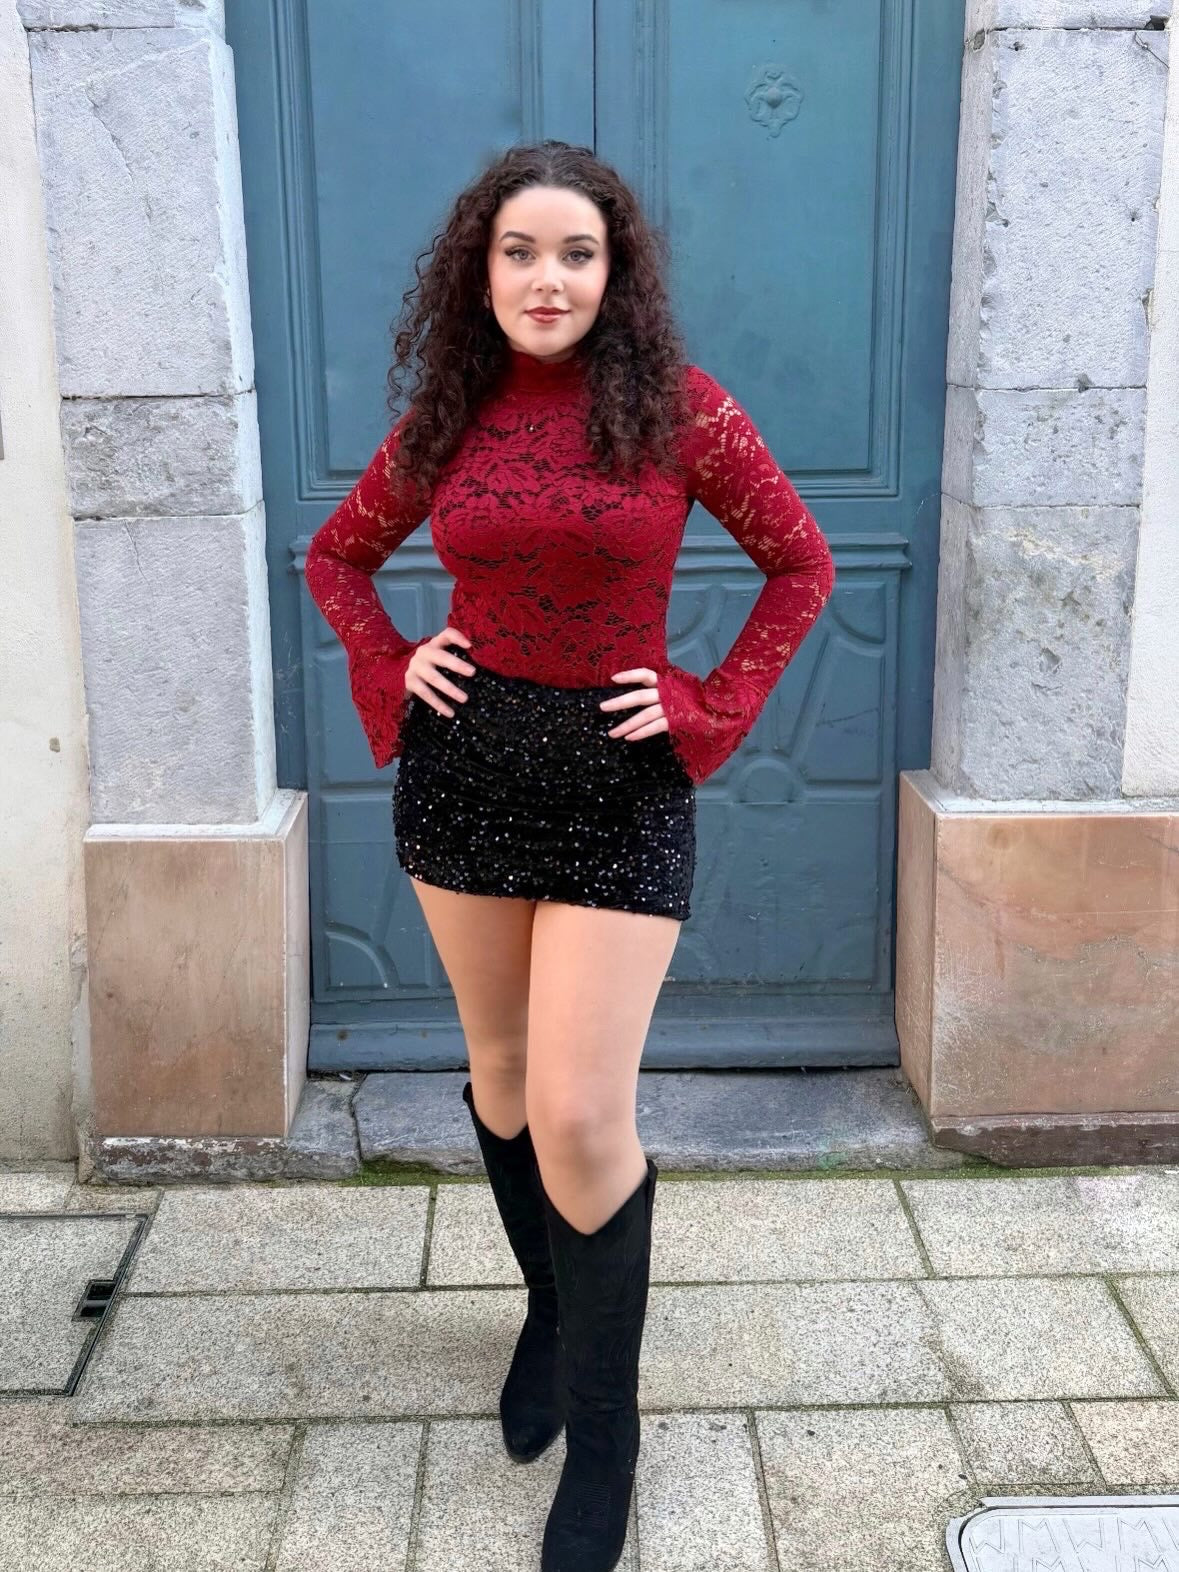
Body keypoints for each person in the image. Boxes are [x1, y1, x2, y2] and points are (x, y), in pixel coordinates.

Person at [304, 139, 836, 1572]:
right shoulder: (451, 415)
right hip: (468, 776)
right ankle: (552, 1307)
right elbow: (338, 556)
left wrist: (709, 705)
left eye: (578, 254)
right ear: (480, 271)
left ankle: (606, 1440)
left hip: (618, 787)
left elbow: (802, 564)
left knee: (583, 1113)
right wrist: (391, 662)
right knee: (501, 1075)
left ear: (617, 273)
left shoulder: (681, 412)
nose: (550, 279)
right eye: (522, 252)